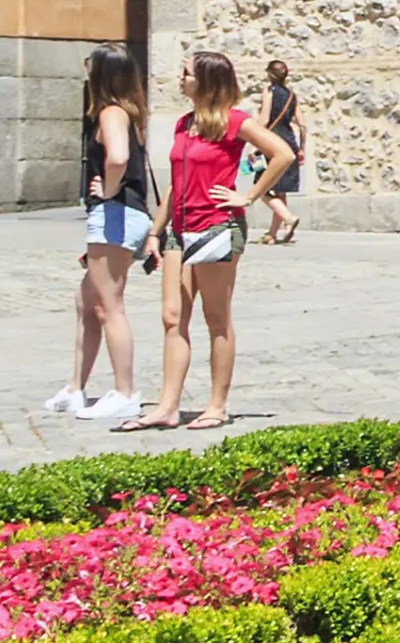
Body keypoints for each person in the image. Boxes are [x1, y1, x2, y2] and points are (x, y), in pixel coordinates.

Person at [133, 49, 294, 433]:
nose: (180, 78)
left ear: (207, 81)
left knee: (215, 317)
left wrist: (248, 196)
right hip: (179, 229)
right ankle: (167, 405)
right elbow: (175, 184)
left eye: (186, 73)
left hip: (216, 227)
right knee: (172, 317)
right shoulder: (183, 124)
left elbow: (282, 154)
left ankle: (216, 405)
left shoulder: (235, 122)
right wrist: (155, 231)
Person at [49, 46, 150, 422]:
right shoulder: (128, 113)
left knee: (110, 306)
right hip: (121, 214)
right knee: (87, 301)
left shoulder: (111, 113)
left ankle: (124, 392)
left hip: (114, 213)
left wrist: (107, 189)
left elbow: (119, 157)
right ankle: (76, 388)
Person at [256, 57, 304, 245]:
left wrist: (254, 143)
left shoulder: (269, 91)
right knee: (280, 189)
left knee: (260, 187)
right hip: (289, 142)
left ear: (269, 74)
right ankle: (272, 234)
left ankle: (288, 217)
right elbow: (302, 125)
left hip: (271, 143)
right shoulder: (292, 96)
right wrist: (302, 149)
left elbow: (265, 119)